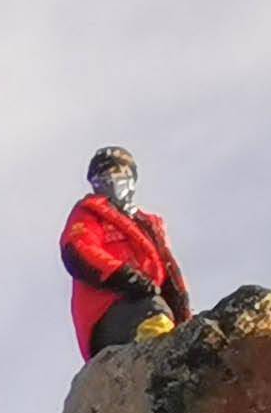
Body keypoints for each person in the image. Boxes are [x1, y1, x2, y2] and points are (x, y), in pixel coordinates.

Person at [62, 146, 190, 357]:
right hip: (108, 309)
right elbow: (78, 248)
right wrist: (122, 276)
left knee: (165, 316)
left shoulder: (148, 225)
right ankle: (157, 362)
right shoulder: (90, 213)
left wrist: (180, 306)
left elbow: (165, 270)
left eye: (117, 172)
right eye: (102, 174)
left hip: (151, 304)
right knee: (153, 311)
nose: (110, 178)